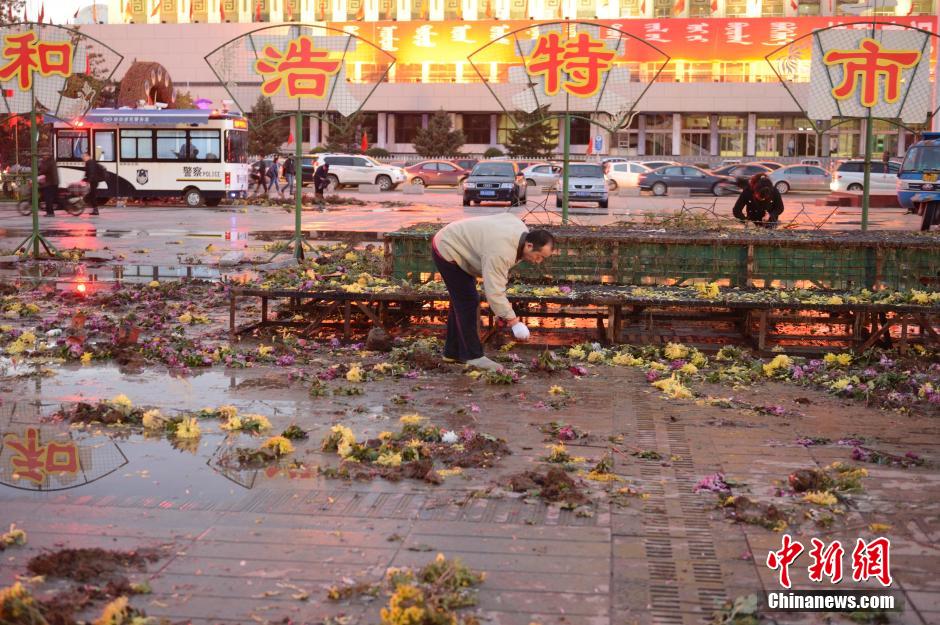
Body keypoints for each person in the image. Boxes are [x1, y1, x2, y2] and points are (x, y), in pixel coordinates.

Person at [431, 214, 555, 370]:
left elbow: (505, 217)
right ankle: (472, 356)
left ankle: (452, 352)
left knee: (462, 300)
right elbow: (494, 292)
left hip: (460, 242)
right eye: (538, 257)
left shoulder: (521, 233)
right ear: (529, 245)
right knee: (467, 301)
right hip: (447, 248)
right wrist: (514, 322)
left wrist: (502, 312)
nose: (538, 262)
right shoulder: (501, 252)